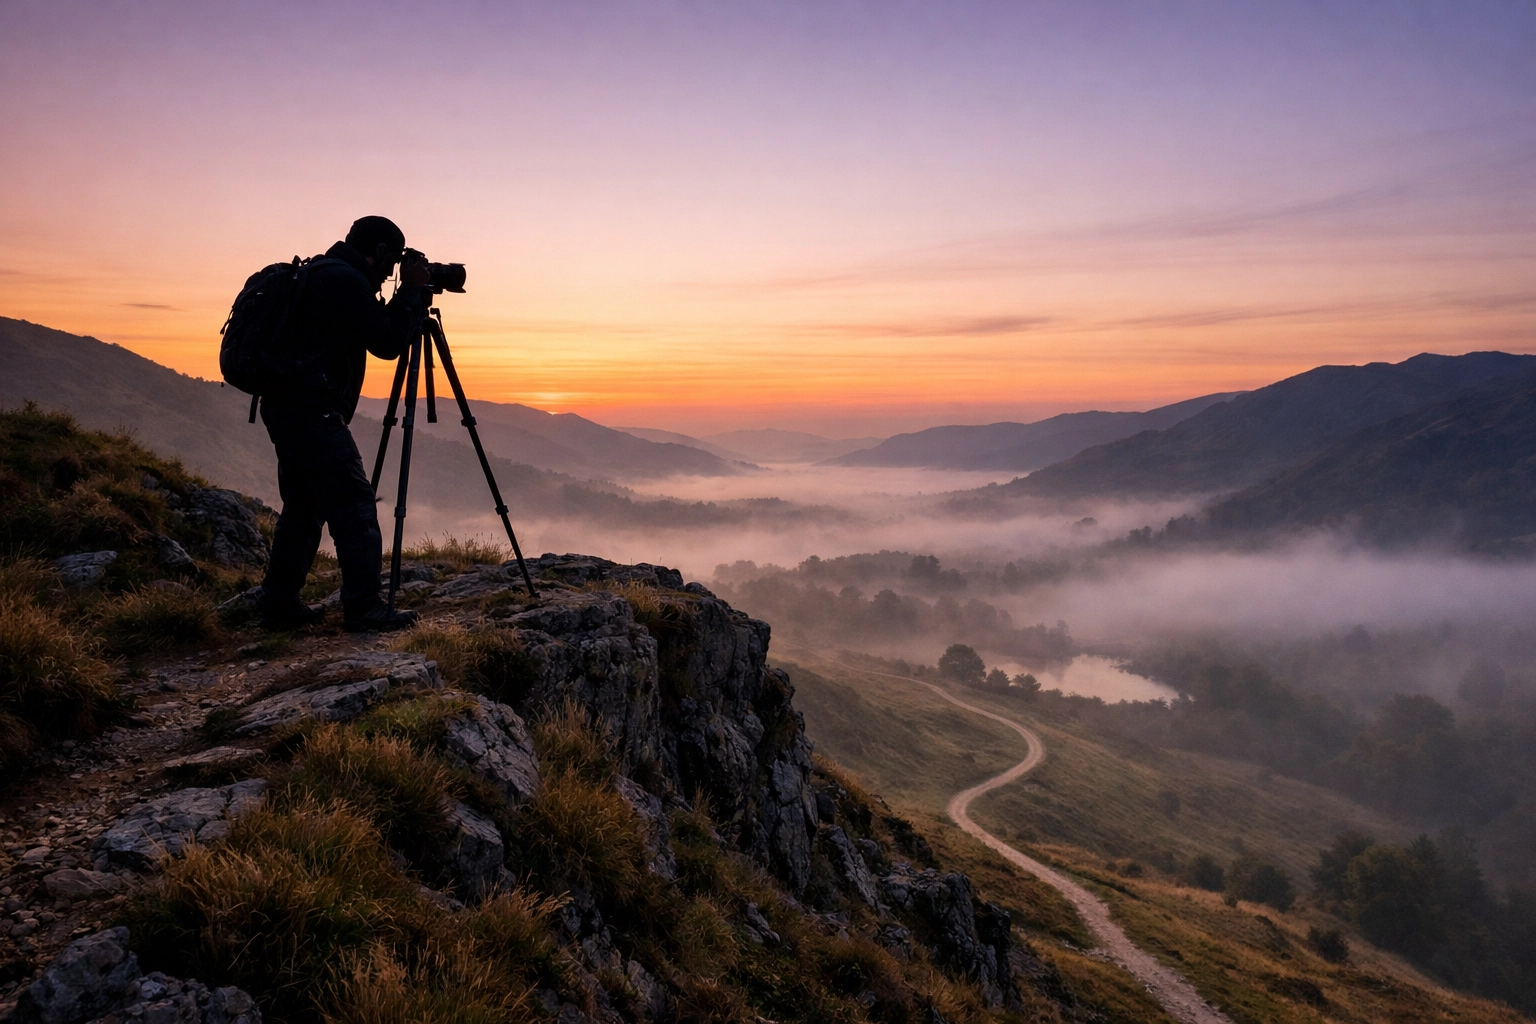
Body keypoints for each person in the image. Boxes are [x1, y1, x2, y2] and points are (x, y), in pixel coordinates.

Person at [253, 215, 430, 631]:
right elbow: (386, 341)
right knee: (353, 503)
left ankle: (279, 603)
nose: (390, 272)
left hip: (285, 406)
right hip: (311, 412)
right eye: (393, 261)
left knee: (304, 504)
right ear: (381, 251)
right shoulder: (345, 281)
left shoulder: (323, 273)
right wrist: (410, 293)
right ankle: (364, 607)